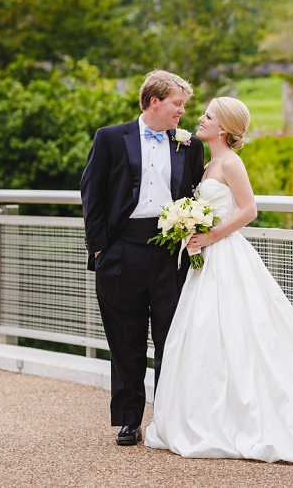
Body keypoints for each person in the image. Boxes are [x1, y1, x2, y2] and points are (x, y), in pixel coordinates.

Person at [146, 97, 293, 463]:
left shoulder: (231, 163)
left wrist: (210, 236)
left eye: (208, 116)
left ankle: (246, 416)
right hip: (206, 257)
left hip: (225, 255)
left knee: (241, 331)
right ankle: (208, 413)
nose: (199, 119)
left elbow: (249, 209)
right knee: (205, 332)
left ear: (223, 129)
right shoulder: (208, 163)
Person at [79, 70, 205, 446]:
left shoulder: (190, 146)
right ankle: (129, 420)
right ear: (155, 102)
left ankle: (167, 421)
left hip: (169, 254)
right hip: (120, 252)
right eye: (177, 104)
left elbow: (195, 196)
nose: (183, 112)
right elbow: (92, 194)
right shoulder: (110, 138)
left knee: (172, 339)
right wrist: (100, 249)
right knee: (126, 340)